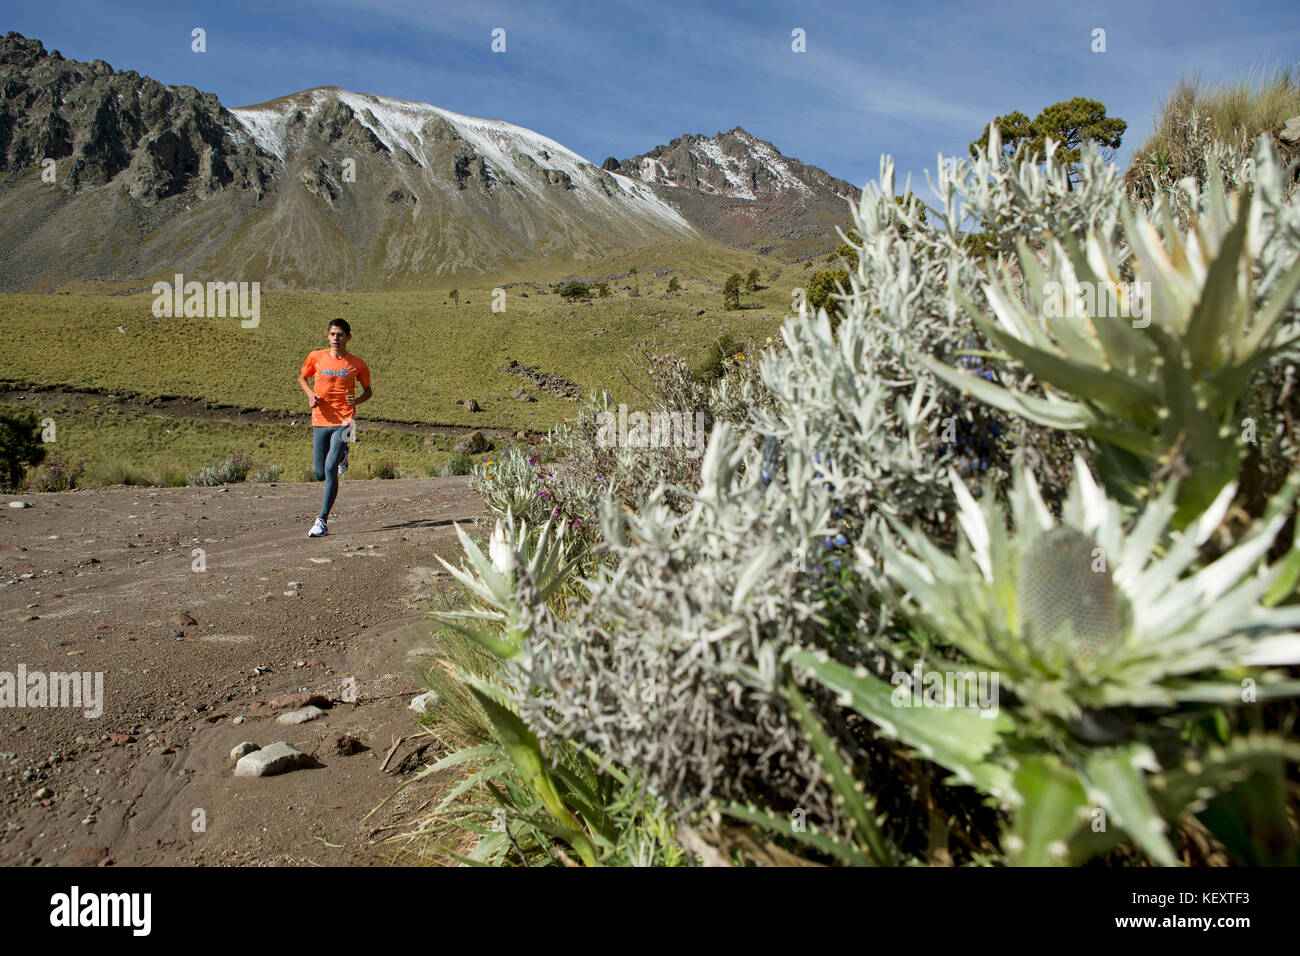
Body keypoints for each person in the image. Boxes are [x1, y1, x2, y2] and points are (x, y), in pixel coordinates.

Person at [298, 318, 372, 537]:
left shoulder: (357, 364)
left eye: (340, 334)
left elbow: (368, 392)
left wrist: (355, 401)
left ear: (348, 337)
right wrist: (310, 395)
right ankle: (343, 455)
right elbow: (302, 378)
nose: (335, 338)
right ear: (328, 336)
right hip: (320, 420)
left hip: (345, 421)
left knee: (331, 469)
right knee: (319, 473)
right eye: (332, 334)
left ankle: (322, 520)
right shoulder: (315, 357)